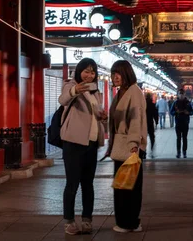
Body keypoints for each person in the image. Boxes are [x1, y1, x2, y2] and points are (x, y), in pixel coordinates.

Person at [58, 58, 107, 236]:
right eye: (86, 71)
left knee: (88, 184)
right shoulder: (70, 85)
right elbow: (62, 100)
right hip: (73, 143)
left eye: (92, 72)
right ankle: (69, 221)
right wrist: (74, 91)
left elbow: (95, 115)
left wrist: (103, 117)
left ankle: (87, 219)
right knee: (72, 184)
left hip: (91, 143)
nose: (89, 75)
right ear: (79, 71)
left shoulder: (96, 91)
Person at [107, 60, 147, 233]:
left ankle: (130, 222)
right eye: (113, 73)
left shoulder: (134, 92)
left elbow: (135, 120)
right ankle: (125, 220)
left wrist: (133, 145)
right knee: (122, 185)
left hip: (130, 146)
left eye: (118, 73)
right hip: (121, 145)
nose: (115, 77)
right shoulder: (121, 93)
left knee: (129, 186)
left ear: (127, 74)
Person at [171, 89, 193, 158]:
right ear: (178, 94)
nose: (181, 95)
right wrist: (175, 112)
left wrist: (188, 113)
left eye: (182, 94)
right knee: (178, 138)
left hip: (185, 122)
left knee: (184, 138)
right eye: (180, 94)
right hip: (178, 123)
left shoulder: (188, 103)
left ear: (184, 94)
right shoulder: (175, 103)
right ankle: (178, 152)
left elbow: (192, 111)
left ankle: (184, 152)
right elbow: (171, 111)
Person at [145, 93, 159, 157]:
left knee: (143, 136)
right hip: (150, 122)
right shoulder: (152, 105)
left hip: (143, 123)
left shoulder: (143, 105)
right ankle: (152, 148)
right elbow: (155, 114)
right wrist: (156, 122)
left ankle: (143, 150)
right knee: (152, 136)